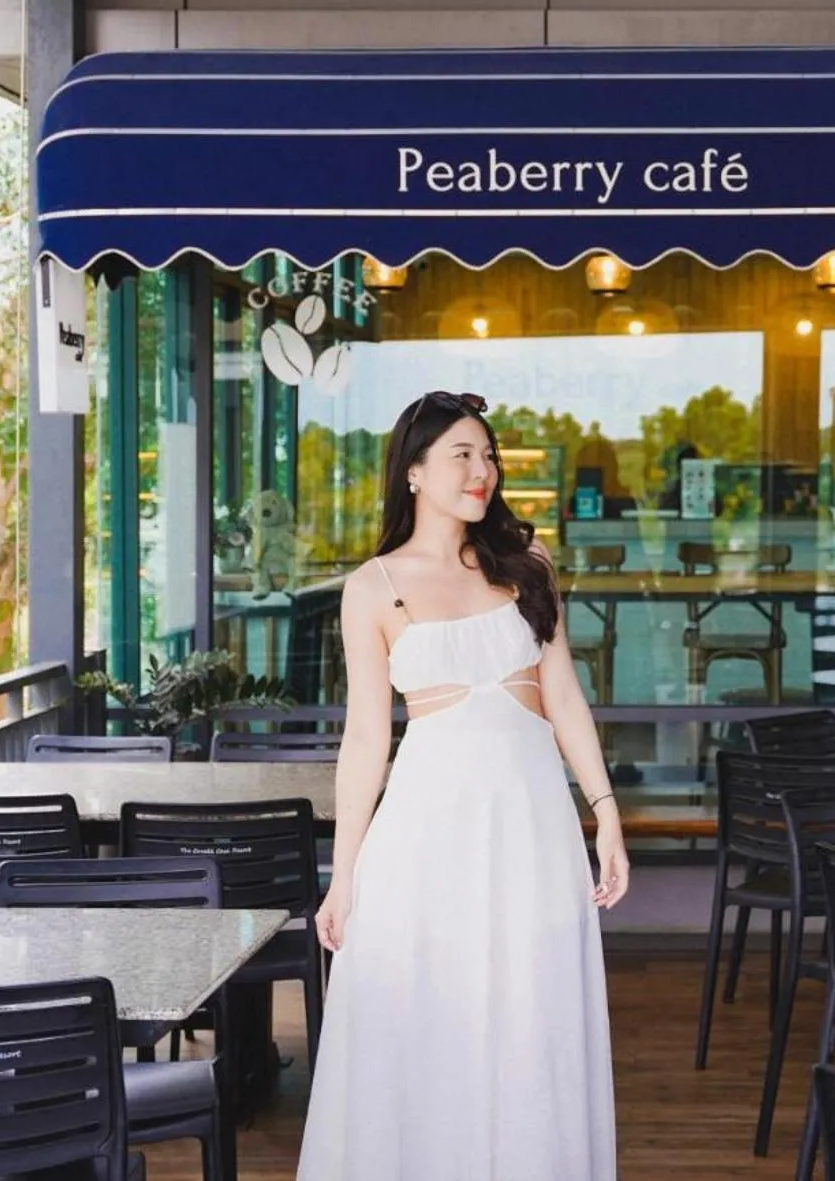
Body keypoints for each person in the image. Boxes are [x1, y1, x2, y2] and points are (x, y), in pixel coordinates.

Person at [298, 389, 628, 1181]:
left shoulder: (528, 567)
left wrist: (605, 811)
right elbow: (368, 740)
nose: (482, 471)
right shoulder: (373, 587)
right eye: (463, 455)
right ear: (414, 470)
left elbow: (566, 701)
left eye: (489, 456)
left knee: (529, 1015)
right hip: (423, 840)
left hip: (533, 832)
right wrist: (343, 875)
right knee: (429, 1023)